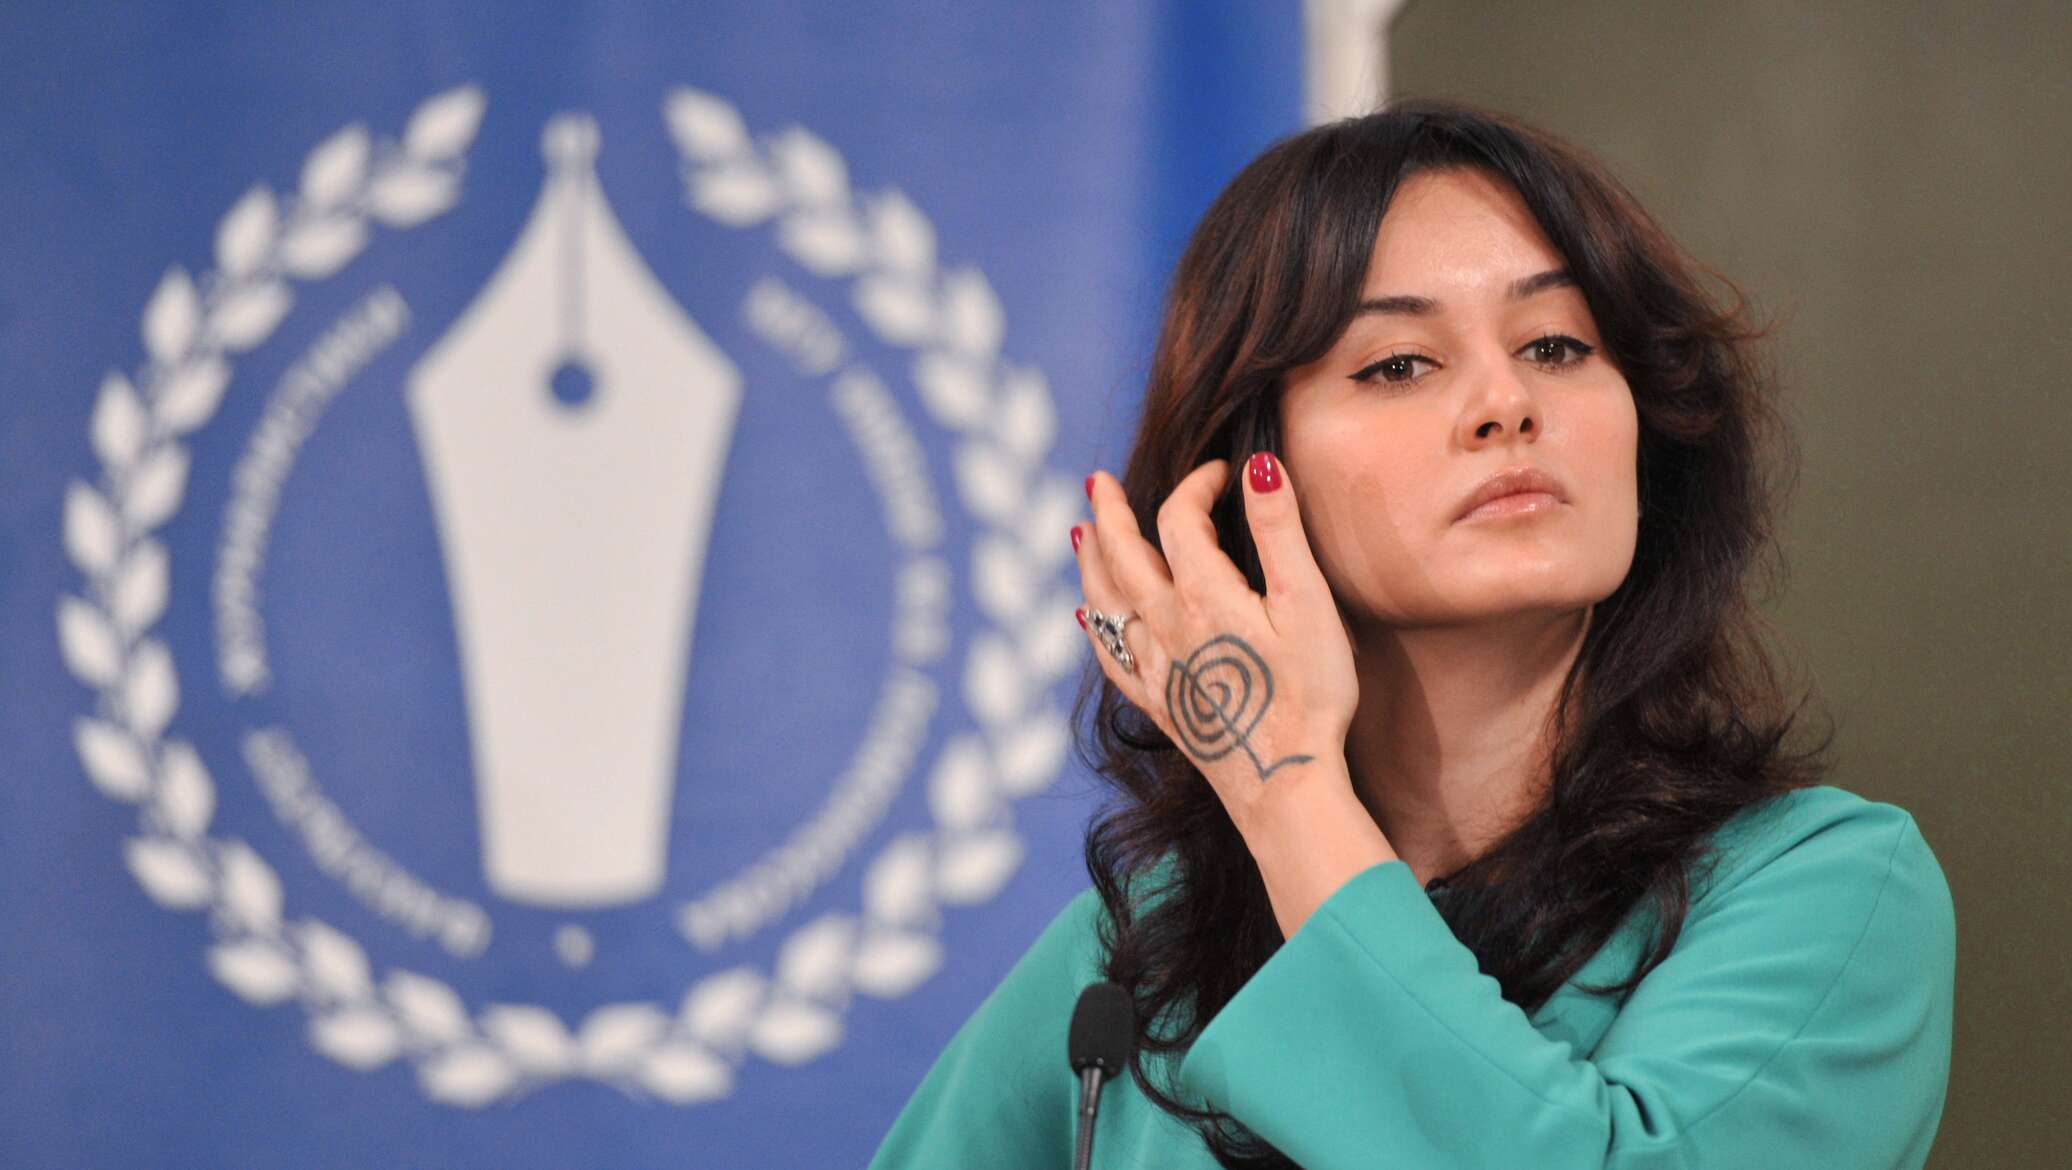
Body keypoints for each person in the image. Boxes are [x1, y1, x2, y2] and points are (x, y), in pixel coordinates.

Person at [868, 99, 1954, 1169]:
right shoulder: (1141, 946)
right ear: (1246, 471)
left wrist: (1285, 786)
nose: (1505, 402)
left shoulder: (1825, 889)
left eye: (1557, 344)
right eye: (1398, 363)